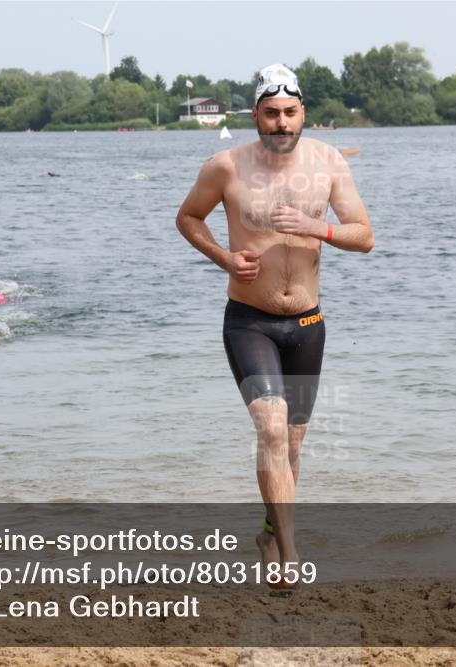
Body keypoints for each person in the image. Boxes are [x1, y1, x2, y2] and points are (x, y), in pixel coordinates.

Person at [175, 63, 374, 592]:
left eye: (290, 113)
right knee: (269, 427)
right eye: (270, 114)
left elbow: (365, 236)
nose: (281, 124)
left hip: (308, 323)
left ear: (303, 112)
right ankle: (289, 556)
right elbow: (188, 218)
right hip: (249, 322)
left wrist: (319, 227)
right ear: (255, 115)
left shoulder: (329, 163)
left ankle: (269, 534)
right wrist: (222, 257)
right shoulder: (226, 166)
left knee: (292, 443)